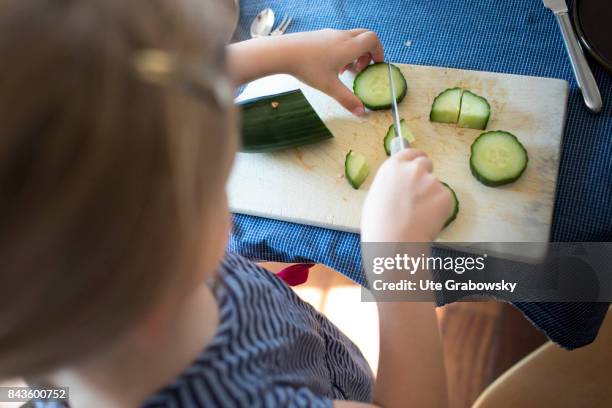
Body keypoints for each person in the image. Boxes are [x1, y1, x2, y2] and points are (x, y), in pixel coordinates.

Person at [0, 0, 452, 407]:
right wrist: (398, 259)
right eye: (216, 181)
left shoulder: (72, 301)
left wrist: (280, 54)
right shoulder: (240, 397)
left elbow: (142, 97)